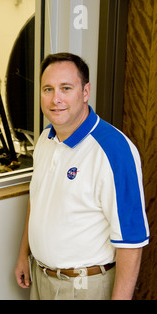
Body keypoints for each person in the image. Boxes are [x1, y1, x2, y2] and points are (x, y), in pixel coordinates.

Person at [14, 52, 149, 300]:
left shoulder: (114, 150)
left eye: (66, 88)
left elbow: (132, 241)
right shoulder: (46, 138)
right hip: (41, 278)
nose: (56, 99)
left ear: (85, 92)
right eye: (48, 89)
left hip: (84, 288)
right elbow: (38, 199)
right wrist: (25, 253)